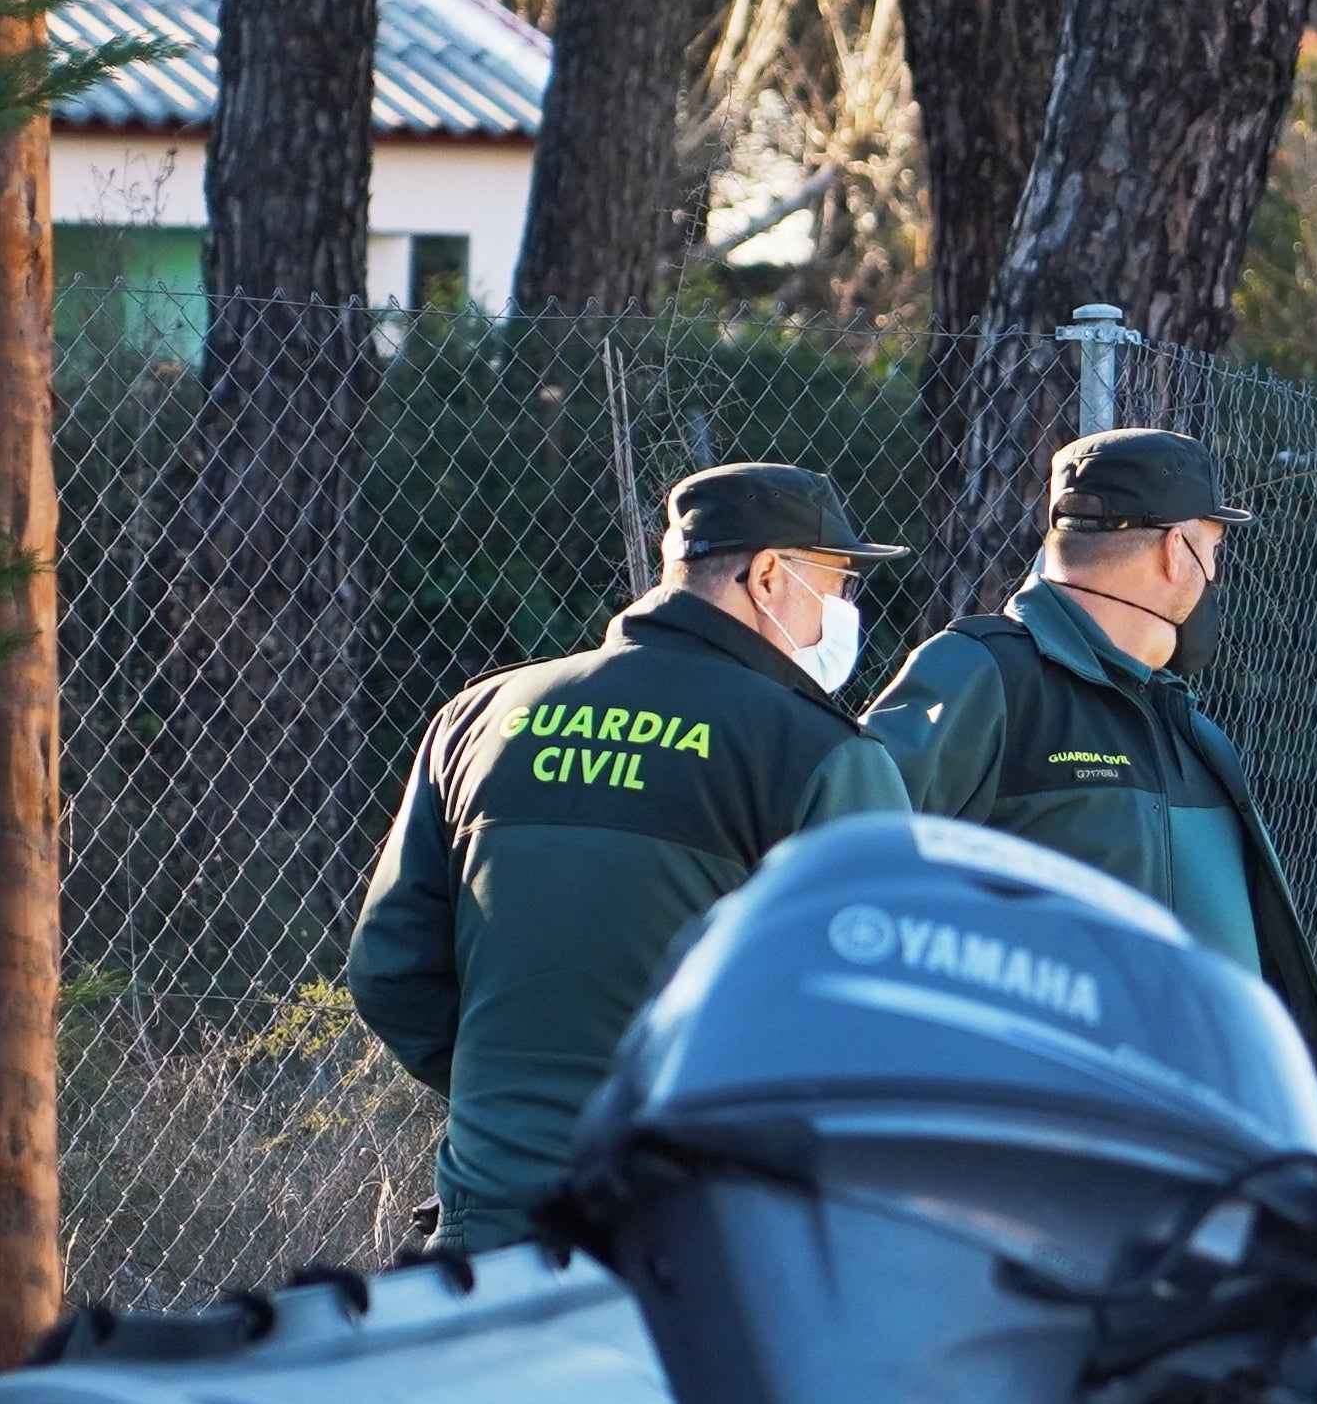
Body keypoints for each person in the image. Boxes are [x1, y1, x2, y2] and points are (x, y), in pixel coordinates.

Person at [347, 459, 914, 1249]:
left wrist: (511, 1095)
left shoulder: (480, 716)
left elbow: (389, 966)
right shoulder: (817, 752)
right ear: (769, 576)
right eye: (840, 582)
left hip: (496, 1220)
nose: (847, 609)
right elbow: (880, 1015)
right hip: (701, 1241)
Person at [869, 426, 1317, 1080]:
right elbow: (843, 859)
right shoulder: (984, 675)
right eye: (1213, 547)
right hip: (1045, 1144)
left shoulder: (1190, 728)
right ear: (1179, 552)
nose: (1216, 573)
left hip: (1209, 1141)